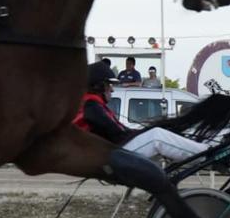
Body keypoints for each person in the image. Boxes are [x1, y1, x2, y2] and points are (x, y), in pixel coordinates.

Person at [74, 61, 210, 164]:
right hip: (114, 154)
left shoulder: (93, 105)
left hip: (114, 150)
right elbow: (117, 135)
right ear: (98, 86)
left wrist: (142, 131)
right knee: (157, 136)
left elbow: (117, 133)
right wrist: (143, 132)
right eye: (109, 85)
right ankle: (207, 154)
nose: (112, 90)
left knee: (157, 131)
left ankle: (203, 150)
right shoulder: (92, 107)